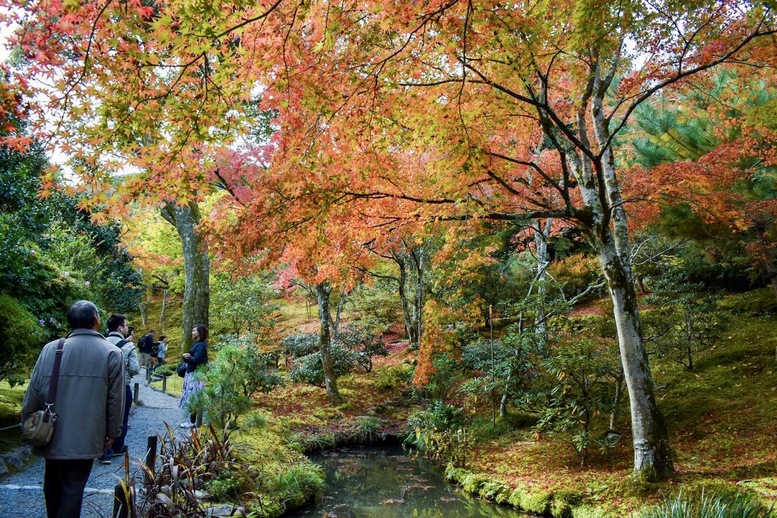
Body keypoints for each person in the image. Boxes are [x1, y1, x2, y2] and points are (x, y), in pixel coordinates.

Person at [21, 300, 125, 517]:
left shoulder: (52, 348)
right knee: (73, 488)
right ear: (96, 320)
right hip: (87, 434)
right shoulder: (111, 353)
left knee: (52, 484)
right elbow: (116, 399)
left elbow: (34, 390)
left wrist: (27, 421)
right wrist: (114, 432)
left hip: (52, 430)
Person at [98, 314, 140, 464]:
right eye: (126, 325)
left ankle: (102, 450)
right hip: (122, 386)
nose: (127, 328)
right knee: (121, 417)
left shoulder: (99, 342)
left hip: (101, 386)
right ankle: (117, 446)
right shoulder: (128, 345)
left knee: (101, 416)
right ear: (120, 328)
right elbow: (135, 368)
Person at [179, 324, 208, 428]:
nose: (192, 332)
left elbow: (197, 360)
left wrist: (187, 357)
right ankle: (192, 421)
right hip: (193, 373)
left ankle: (192, 422)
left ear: (200, 332)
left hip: (195, 375)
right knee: (192, 396)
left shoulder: (200, 345)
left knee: (193, 396)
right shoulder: (197, 344)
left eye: (194, 331)